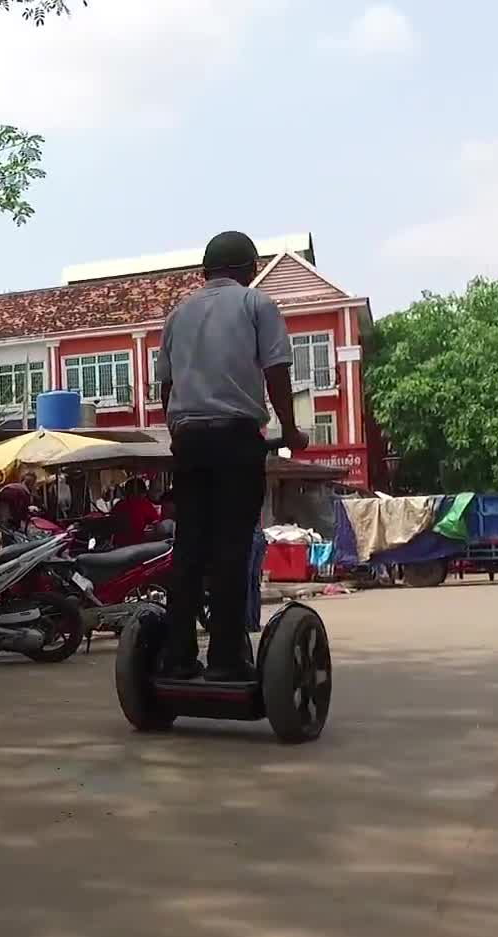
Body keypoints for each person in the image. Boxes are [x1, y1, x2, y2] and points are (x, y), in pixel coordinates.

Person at [153, 230, 307, 682]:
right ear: (249, 269)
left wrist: (182, 429)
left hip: (189, 439)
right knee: (232, 547)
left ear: (205, 272)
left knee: (189, 546)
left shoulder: (178, 315)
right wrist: (291, 429)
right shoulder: (256, 305)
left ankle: (177, 656)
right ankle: (225, 658)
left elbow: (166, 388)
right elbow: (276, 370)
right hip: (237, 436)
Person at [108, 477, 162, 548]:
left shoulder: (118, 505)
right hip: (139, 547)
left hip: (120, 547)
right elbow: (157, 523)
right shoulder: (144, 504)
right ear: (143, 492)